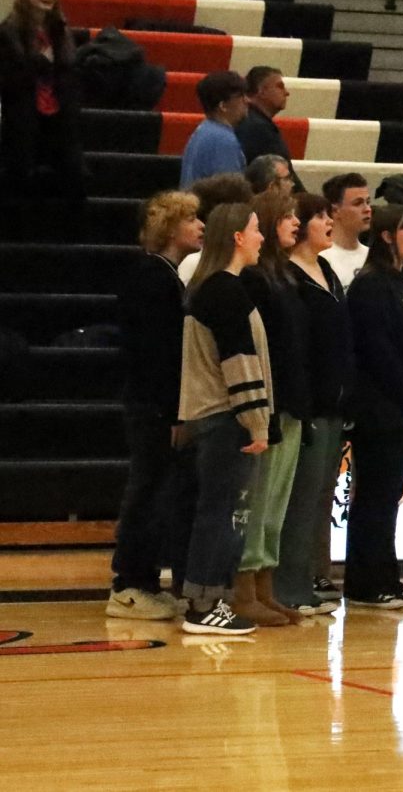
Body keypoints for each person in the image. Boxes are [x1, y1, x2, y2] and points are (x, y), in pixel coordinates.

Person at [107, 191, 204, 621]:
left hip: (156, 401)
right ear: (170, 227)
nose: (201, 226)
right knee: (148, 491)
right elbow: (155, 356)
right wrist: (173, 412)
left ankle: (143, 579)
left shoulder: (165, 275)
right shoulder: (152, 277)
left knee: (156, 491)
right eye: (192, 219)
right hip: (153, 404)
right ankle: (128, 583)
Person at [177, 202, 271, 635]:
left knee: (224, 511)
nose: (261, 238)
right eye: (255, 230)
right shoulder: (224, 290)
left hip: (221, 417)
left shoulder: (217, 287)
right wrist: (256, 422)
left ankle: (210, 598)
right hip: (226, 418)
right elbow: (238, 362)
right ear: (236, 236)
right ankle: (204, 603)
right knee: (223, 512)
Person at [343, 204, 403, 608]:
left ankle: (386, 577)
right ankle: (365, 582)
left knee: (390, 495)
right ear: (385, 235)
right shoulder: (370, 285)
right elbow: (376, 349)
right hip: (382, 408)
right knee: (375, 497)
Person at [274, 192, 353, 614]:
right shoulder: (288, 275)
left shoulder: (326, 269)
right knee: (299, 499)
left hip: (334, 404)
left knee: (321, 497)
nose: (328, 221)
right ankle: (288, 587)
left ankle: (305, 579)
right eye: (321, 215)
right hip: (307, 404)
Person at [234, 189, 309, 627]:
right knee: (259, 502)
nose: (294, 223)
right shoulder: (254, 279)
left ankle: (266, 585)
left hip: (292, 404)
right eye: (285, 217)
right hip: (270, 405)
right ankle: (244, 587)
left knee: (276, 504)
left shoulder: (285, 274)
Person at [0, 0, 84, 208]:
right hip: (23, 110)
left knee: (72, 171)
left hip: (58, 111)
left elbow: (69, 70)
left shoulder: (61, 30)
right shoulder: (8, 32)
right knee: (22, 170)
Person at [235, 65, 303, 191]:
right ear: (262, 91)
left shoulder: (252, 121)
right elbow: (280, 174)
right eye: (280, 86)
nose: (287, 93)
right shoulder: (258, 128)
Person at [180, 70, 249, 187]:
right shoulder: (223, 141)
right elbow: (230, 194)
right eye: (241, 96)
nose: (247, 101)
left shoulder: (203, 130)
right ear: (223, 106)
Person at [320, 172, 372, 288]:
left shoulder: (373, 256)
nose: (367, 209)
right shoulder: (322, 258)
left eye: (368, 202)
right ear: (335, 210)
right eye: (358, 203)